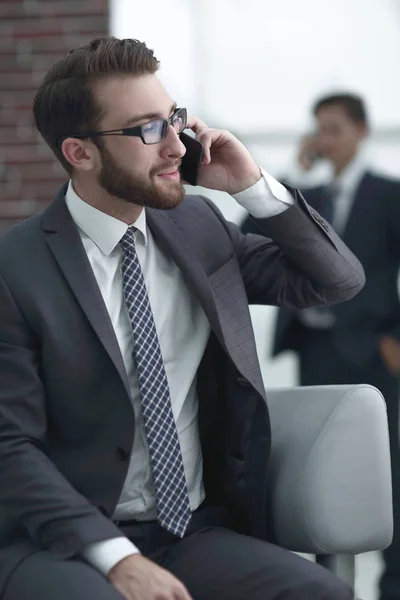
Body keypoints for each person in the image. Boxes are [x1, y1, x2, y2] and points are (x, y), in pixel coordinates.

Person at [0, 38, 365, 600]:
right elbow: (10, 444)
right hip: (60, 542)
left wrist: (252, 188)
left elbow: (335, 280)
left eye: (174, 119)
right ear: (80, 153)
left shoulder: (200, 228)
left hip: (192, 532)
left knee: (322, 594)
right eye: (147, 129)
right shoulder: (14, 268)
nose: (176, 146)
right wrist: (117, 559)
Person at [242, 93, 400, 600]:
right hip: (316, 348)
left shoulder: (388, 194)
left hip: (376, 354)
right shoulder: (309, 194)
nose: (323, 140)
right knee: (328, 466)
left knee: (387, 471)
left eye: (333, 129)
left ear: (360, 130)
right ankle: (331, 583)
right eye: (318, 130)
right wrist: (291, 173)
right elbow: (245, 236)